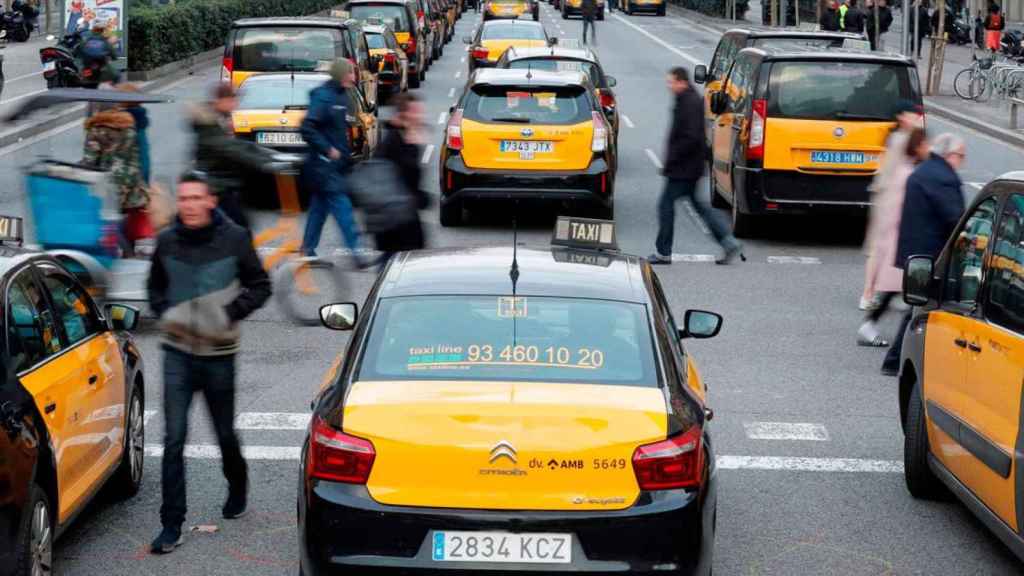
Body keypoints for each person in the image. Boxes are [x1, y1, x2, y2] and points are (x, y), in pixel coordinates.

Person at [147, 170, 272, 554]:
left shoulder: (234, 238)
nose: (189, 205)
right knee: (173, 439)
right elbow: (155, 287)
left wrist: (231, 312)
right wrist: (167, 313)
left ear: (211, 201)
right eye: (183, 199)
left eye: (196, 198)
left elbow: (261, 285)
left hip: (219, 355)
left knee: (224, 435)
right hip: (178, 354)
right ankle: (172, 524)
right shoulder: (167, 241)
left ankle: (237, 483)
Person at [882, 133, 967, 376]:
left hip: (915, 253)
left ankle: (899, 359)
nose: (962, 162)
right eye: (961, 157)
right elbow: (955, 219)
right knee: (923, 309)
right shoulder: (943, 178)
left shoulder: (923, 171)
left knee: (921, 308)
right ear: (950, 155)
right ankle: (896, 359)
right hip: (934, 256)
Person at [648, 67, 743, 266]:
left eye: (672, 82)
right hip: (689, 166)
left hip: (684, 167)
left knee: (666, 206)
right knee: (699, 206)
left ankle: (664, 252)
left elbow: (690, 137)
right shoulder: (687, 99)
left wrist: (672, 160)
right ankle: (728, 242)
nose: (669, 86)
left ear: (682, 82)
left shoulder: (688, 102)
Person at [858, 127, 928, 347]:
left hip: (898, 240)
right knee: (895, 288)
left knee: (899, 289)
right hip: (898, 241)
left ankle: (877, 327)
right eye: (926, 144)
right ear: (918, 147)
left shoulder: (908, 170)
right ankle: (869, 327)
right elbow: (896, 210)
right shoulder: (908, 174)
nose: (929, 148)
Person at [300, 59, 367, 265]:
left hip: (334, 166)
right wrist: (328, 150)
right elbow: (307, 127)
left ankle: (307, 250)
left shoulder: (341, 95)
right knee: (342, 207)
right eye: (350, 74)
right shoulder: (324, 97)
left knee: (319, 209)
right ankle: (357, 253)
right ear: (341, 74)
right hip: (324, 166)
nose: (354, 78)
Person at [860, 100, 924, 310]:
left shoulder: (910, 139)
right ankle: (868, 293)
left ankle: (889, 291)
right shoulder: (897, 140)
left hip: (900, 201)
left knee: (893, 249)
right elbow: (886, 174)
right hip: (888, 202)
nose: (915, 118)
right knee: (879, 249)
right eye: (911, 114)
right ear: (901, 117)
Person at [190, 83, 276, 230]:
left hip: (224, 181)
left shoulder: (219, 118)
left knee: (235, 224)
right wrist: (263, 162)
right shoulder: (208, 124)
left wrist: (269, 154)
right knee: (239, 226)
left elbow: (238, 145)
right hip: (215, 184)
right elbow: (229, 148)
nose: (235, 104)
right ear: (220, 101)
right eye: (231, 100)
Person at [81, 98, 151, 257]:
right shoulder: (128, 127)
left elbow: (89, 161)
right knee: (126, 219)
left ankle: (122, 254)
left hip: (109, 184)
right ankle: (129, 253)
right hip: (132, 181)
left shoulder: (96, 130)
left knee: (108, 222)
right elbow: (135, 156)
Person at [373, 93, 430, 265]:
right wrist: (421, 198)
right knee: (393, 275)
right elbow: (403, 179)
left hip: (402, 224)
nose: (420, 116)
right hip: (395, 226)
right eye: (416, 112)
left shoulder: (402, 138)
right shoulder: (394, 142)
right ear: (404, 115)